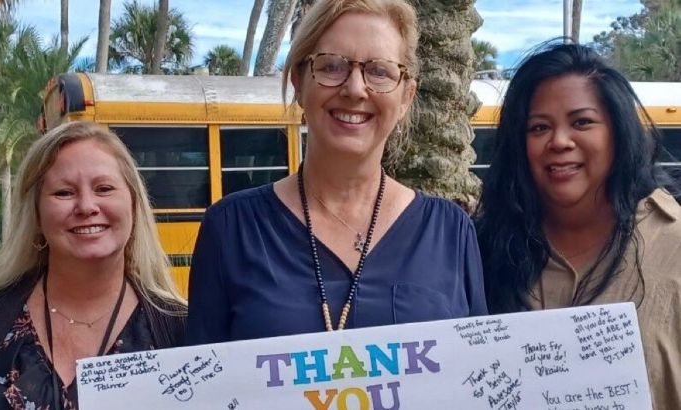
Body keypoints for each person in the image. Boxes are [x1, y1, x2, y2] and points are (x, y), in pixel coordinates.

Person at [186, 0, 487, 344]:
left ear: (406, 96)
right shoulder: (232, 228)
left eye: (380, 71)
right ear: (299, 82)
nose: (355, 89)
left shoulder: (450, 231)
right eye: (331, 66)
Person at [474, 42, 681, 409]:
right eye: (539, 127)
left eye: (582, 122)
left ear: (618, 131)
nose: (560, 142)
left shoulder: (674, 244)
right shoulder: (483, 250)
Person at [0, 121, 186, 409]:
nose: (87, 206)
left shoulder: (182, 329)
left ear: (134, 205)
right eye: (64, 193)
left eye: (104, 188)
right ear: (36, 214)